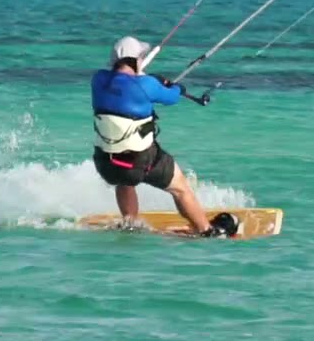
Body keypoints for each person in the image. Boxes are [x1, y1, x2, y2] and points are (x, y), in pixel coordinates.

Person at [90, 36, 238, 238]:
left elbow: (123, 86)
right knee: (180, 188)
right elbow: (173, 96)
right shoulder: (147, 85)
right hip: (141, 161)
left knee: (124, 179)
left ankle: (130, 223)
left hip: (106, 164)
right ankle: (207, 230)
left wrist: (150, 79)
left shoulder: (97, 80)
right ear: (138, 60)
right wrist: (175, 87)